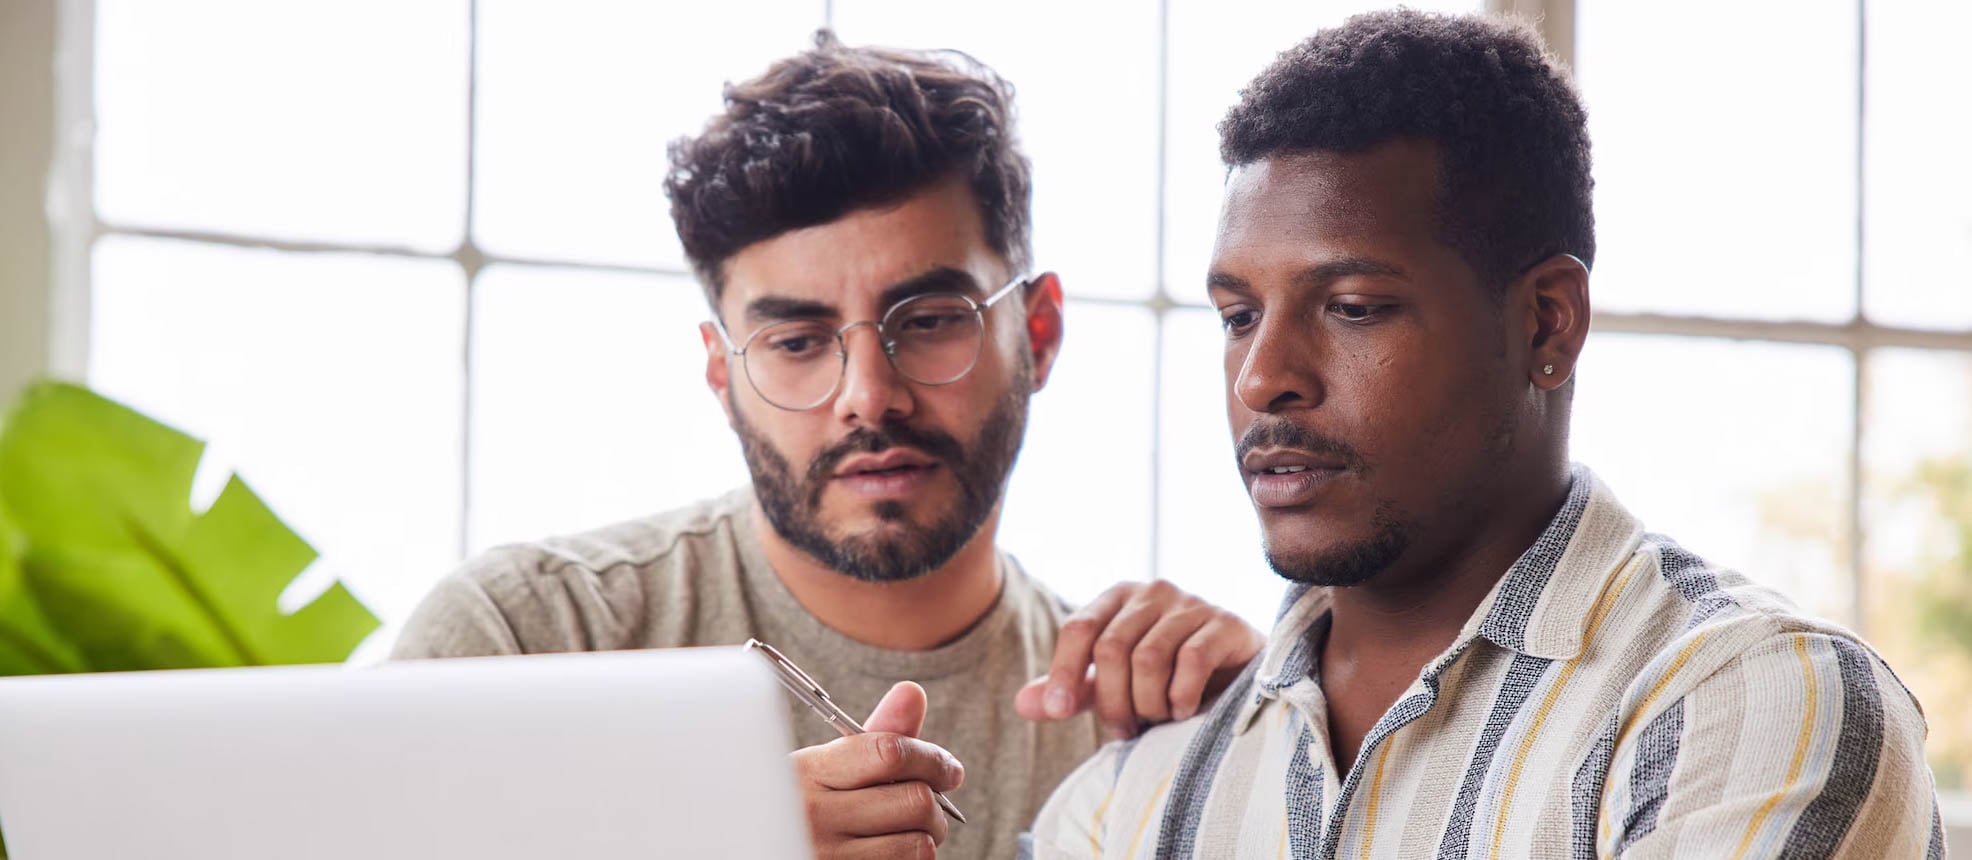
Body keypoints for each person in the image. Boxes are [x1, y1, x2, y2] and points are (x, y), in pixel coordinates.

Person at [1027, 10, 1943, 858]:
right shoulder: (1137, 789)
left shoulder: (1755, 709)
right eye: (1236, 315)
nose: (1264, 376)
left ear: (1548, 323)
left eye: (1351, 308)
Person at [392, 31, 1263, 860]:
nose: (868, 397)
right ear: (720, 375)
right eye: (798, 342)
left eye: (927, 322)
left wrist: (1266, 739)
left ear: (1037, 334)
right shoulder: (522, 642)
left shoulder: (1139, 723)